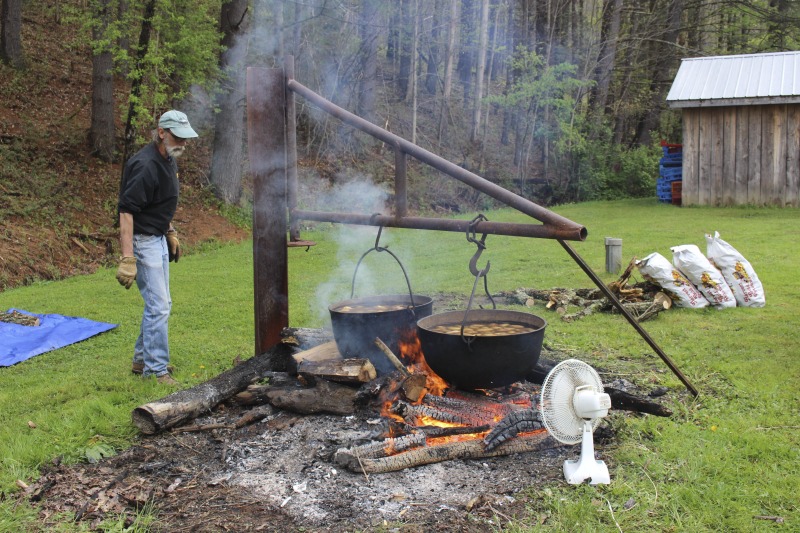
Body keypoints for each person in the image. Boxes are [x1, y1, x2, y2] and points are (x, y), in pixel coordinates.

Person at [115, 110, 198, 385]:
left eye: (185, 138)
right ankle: (155, 370)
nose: (183, 143)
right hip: (143, 240)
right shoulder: (145, 165)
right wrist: (128, 258)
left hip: (158, 237)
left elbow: (161, 202)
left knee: (160, 304)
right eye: (178, 137)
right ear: (161, 132)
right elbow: (126, 211)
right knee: (159, 306)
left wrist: (170, 231)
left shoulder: (168, 159)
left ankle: (142, 360)